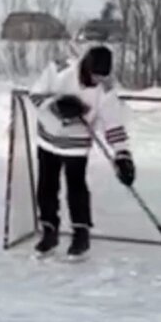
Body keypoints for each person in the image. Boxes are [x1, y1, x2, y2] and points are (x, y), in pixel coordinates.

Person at [27, 43, 135, 259]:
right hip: (48, 138)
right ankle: (49, 230)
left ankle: (81, 234)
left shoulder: (105, 88)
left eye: (101, 77)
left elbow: (112, 122)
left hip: (77, 144)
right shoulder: (59, 69)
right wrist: (57, 104)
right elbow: (35, 95)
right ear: (86, 66)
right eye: (94, 75)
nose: (97, 80)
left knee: (76, 188)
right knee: (47, 186)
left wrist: (122, 154)